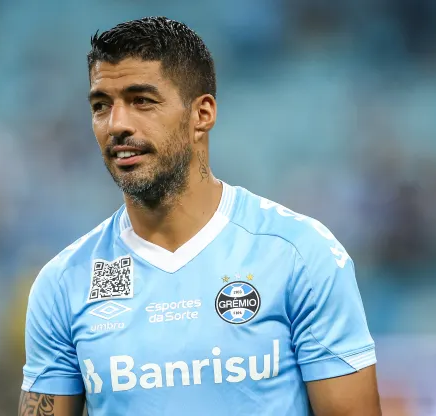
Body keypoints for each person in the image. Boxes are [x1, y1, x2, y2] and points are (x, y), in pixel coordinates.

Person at [19, 16, 381, 416]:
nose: (116, 124)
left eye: (142, 101)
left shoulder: (300, 256)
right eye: (101, 105)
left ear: (202, 114)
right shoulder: (63, 283)